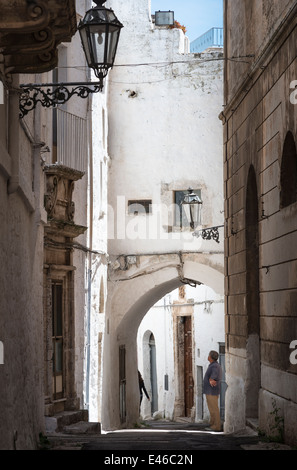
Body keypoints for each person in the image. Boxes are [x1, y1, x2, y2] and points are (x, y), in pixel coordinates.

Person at [203, 350, 222, 431]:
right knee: (212, 408)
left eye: (208, 355)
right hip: (210, 391)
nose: (208, 356)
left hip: (212, 391)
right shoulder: (214, 365)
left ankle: (216, 426)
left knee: (214, 409)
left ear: (210, 357)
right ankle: (212, 424)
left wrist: (211, 380)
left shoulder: (214, 366)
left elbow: (213, 376)